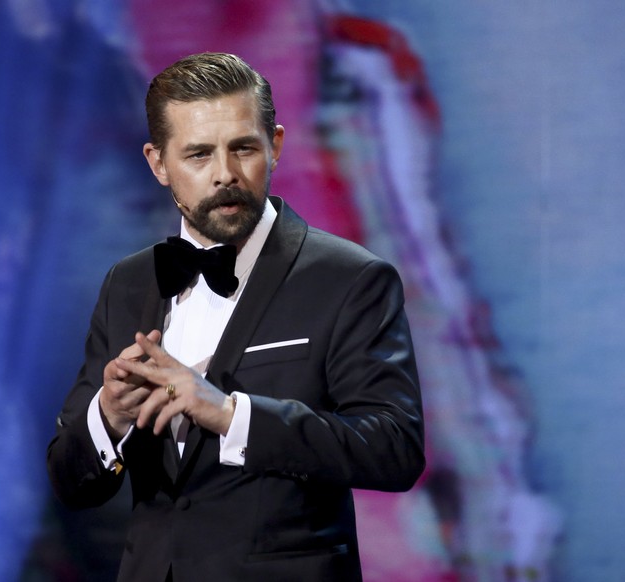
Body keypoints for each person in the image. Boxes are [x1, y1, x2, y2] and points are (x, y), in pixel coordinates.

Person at [46, 52, 425, 582]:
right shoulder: (127, 283)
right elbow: (71, 481)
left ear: (275, 145)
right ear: (158, 164)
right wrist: (108, 416)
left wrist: (231, 416)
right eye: (198, 155)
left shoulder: (350, 279)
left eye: (243, 148)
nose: (225, 174)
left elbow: (393, 449)